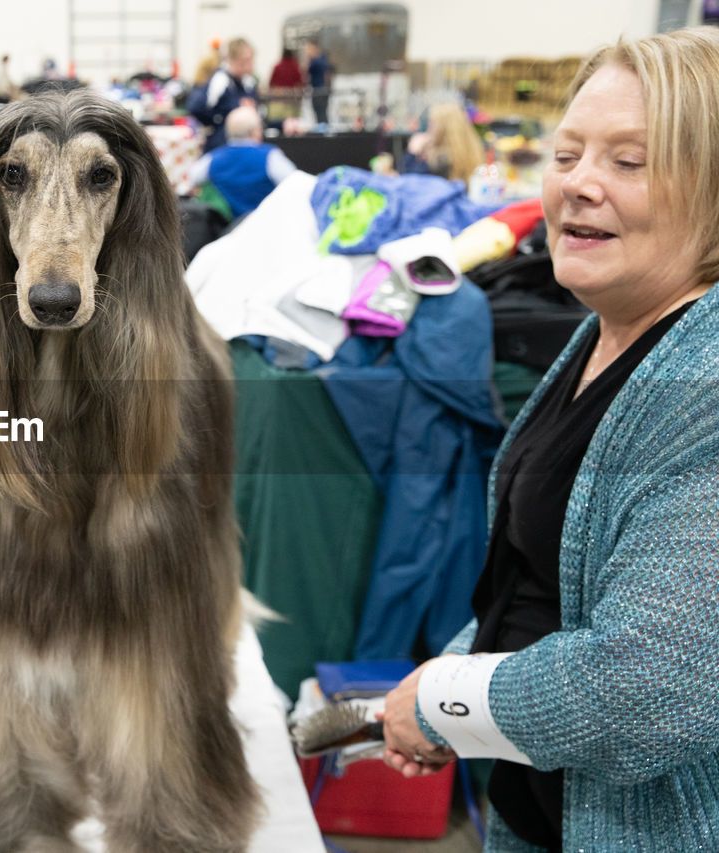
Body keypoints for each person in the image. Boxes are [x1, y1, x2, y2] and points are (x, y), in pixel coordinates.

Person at [380, 27, 719, 851]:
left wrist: (445, 697)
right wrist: (446, 687)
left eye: (628, 162)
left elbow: (647, 689)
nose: (579, 185)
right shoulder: (608, 333)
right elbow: (538, 585)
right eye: (567, 155)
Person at [187, 105, 296, 218]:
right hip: (265, 222)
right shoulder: (270, 156)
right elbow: (294, 181)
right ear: (255, 132)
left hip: (228, 227)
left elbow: (192, 178)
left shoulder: (213, 158)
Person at [189, 37, 259, 152]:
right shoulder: (220, 81)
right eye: (244, 61)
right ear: (232, 60)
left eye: (251, 61)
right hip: (222, 145)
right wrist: (218, 122)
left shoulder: (248, 83)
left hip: (247, 145)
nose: (249, 66)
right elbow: (195, 107)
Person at [402, 102, 485, 184]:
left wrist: (412, 152)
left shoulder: (440, 159)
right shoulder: (471, 150)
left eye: (432, 123)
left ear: (442, 128)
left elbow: (408, 182)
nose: (429, 128)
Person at [267, 47, 305, 121]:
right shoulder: (295, 66)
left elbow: (271, 82)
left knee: (278, 120)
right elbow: (300, 82)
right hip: (292, 97)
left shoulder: (278, 66)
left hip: (279, 97)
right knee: (292, 120)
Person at [305, 41, 333, 127]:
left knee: (320, 113)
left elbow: (307, 72)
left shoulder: (316, 62)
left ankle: (323, 131)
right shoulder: (323, 61)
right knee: (322, 114)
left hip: (318, 91)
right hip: (323, 91)